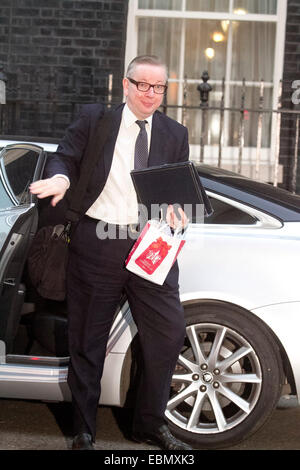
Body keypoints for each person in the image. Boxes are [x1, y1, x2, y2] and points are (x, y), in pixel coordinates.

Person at [30, 55, 192, 451]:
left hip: (151, 246)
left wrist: (179, 211)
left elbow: (177, 186)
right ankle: (84, 430)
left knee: (168, 336)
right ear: (125, 84)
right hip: (97, 244)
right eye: (142, 84)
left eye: (158, 87)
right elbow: (65, 156)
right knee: (88, 341)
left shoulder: (174, 132)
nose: (150, 94)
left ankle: (150, 424)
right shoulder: (96, 120)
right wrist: (60, 177)